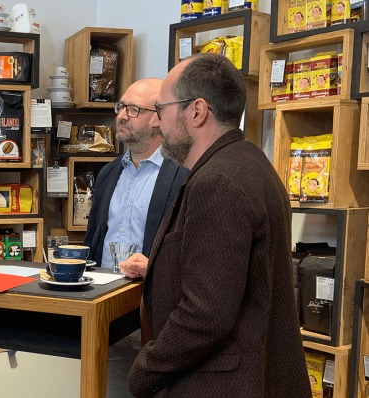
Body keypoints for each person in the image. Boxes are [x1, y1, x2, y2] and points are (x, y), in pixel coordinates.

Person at [122, 53, 311, 397]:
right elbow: (231, 278)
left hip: (222, 384)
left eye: (161, 111)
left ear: (196, 111)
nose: (156, 124)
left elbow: (205, 315)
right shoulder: (250, 162)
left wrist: (143, 372)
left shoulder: (218, 182)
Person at [83, 78, 187, 398]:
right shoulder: (108, 173)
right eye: (121, 107)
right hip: (106, 318)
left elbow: (192, 251)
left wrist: (153, 265)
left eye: (133, 109)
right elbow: (94, 242)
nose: (122, 116)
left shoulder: (185, 175)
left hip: (156, 320)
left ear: (158, 116)